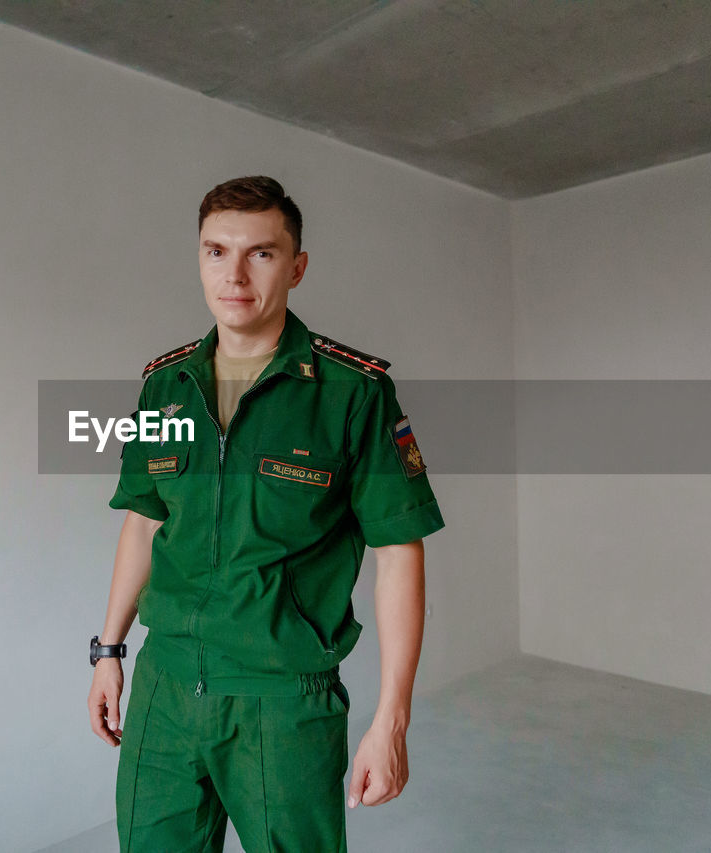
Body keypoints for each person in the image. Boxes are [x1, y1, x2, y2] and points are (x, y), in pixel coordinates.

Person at [87, 175, 444, 852]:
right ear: (198, 259)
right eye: (216, 251)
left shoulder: (352, 394)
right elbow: (144, 520)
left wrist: (391, 721)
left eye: (262, 253)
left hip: (282, 704)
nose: (236, 274)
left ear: (297, 266)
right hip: (164, 691)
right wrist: (108, 649)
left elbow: (400, 551)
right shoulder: (166, 387)